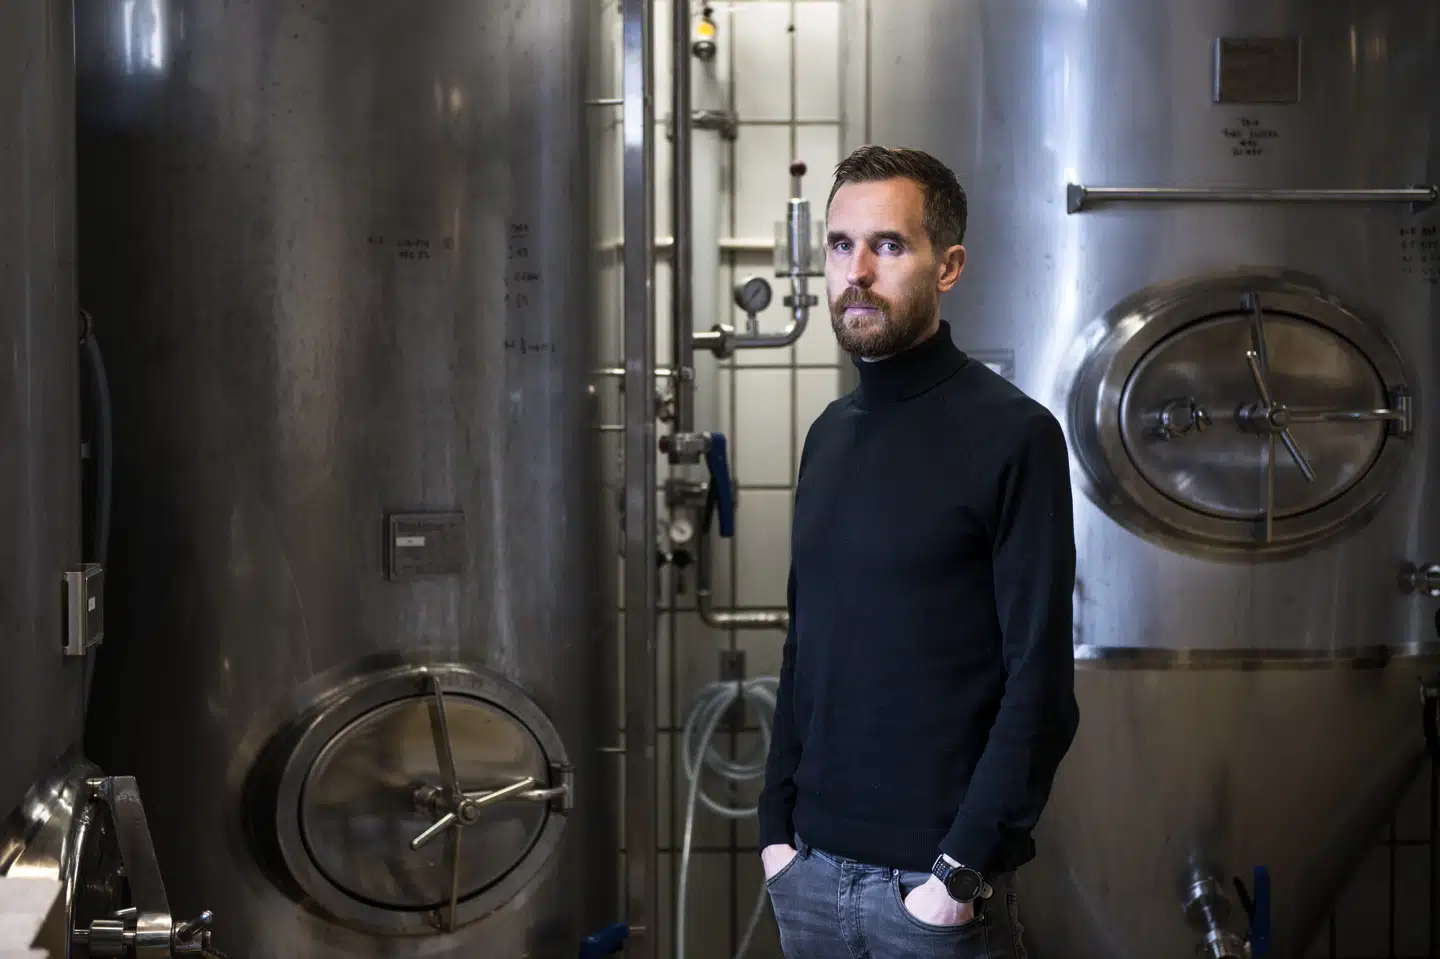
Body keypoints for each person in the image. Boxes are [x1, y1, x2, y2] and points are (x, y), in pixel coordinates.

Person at [756, 145, 1080, 959]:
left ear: (949, 266)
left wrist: (957, 875)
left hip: (931, 896)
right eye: (841, 245)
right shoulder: (828, 437)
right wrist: (774, 836)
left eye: (889, 245)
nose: (857, 271)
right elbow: (804, 649)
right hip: (808, 876)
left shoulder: (1015, 436)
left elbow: (1041, 685)